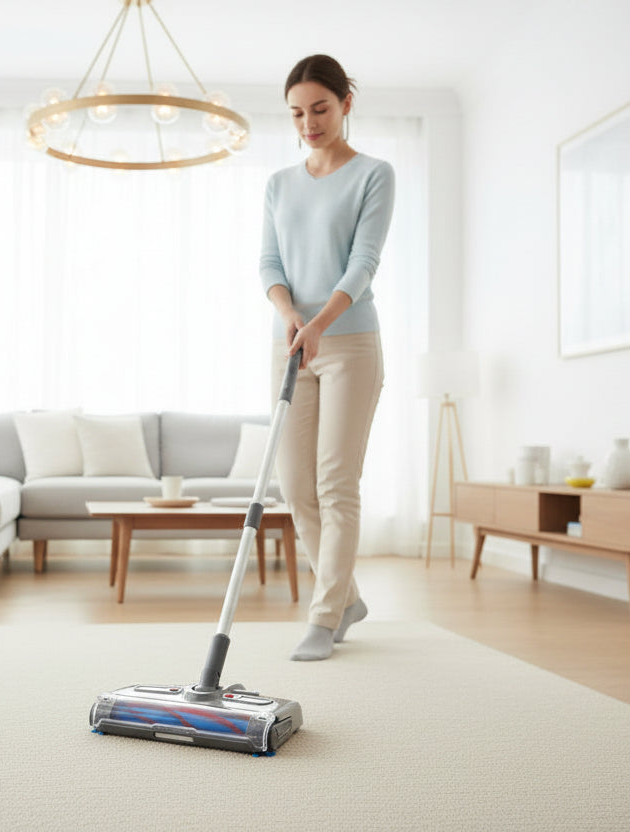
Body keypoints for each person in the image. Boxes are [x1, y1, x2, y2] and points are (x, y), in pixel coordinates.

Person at [259, 54, 395, 661]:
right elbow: (270, 264)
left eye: (319, 108)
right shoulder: (278, 184)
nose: (308, 123)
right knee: (295, 486)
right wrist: (291, 317)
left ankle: (323, 616)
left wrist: (318, 323)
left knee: (336, 483)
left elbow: (363, 265)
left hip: (348, 343)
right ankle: (346, 596)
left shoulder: (373, 174)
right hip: (291, 342)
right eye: (297, 113)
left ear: (345, 103)